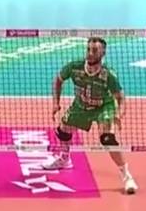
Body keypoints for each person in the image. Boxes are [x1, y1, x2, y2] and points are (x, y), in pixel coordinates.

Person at [45, 37, 137, 194]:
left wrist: (119, 115)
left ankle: (127, 176)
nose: (90, 53)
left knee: (107, 138)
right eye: (88, 49)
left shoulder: (108, 75)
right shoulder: (74, 67)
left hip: (103, 107)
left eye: (95, 50)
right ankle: (65, 158)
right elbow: (58, 80)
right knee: (62, 131)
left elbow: (120, 98)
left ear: (103, 53)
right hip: (81, 106)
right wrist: (56, 103)